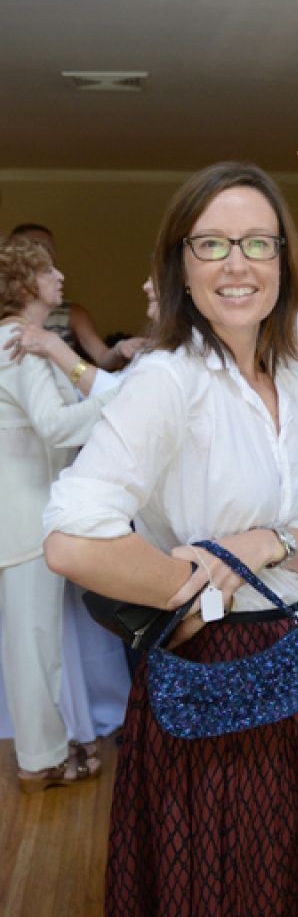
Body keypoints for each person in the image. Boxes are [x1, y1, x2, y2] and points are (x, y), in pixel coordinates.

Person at [43, 162, 298, 917]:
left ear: (283, 261)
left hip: (283, 667)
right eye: (210, 242)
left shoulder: (290, 376)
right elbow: (73, 534)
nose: (236, 261)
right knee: (218, 904)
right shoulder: (167, 379)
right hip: (210, 682)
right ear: (179, 263)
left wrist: (264, 542)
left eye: (256, 240)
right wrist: (191, 590)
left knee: (265, 888)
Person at [0, 234, 117, 790]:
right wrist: (121, 403)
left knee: (38, 645)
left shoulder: (28, 343)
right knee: (34, 647)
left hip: (30, 516)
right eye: (49, 269)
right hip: (21, 522)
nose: (61, 277)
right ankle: (38, 762)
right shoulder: (13, 345)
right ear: (26, 284)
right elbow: (55, 426)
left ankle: (44, 750)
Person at [10, 223, 146, 369]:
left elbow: (101, 357)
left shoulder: (73, 313)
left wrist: (120, 348)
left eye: (50, 249)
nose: (45, 253)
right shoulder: (7, 321)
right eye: (34, 246)